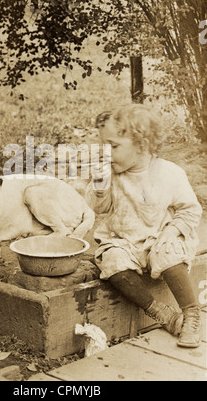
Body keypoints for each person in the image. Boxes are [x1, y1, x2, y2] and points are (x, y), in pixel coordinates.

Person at [88, 104, 202, 348]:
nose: (105, 153)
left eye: (113, 146)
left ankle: (191, 313)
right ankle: (162, 313)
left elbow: (191, 209)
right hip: (123, 242)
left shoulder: (169, 173)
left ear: (141, 145)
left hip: (159, 238)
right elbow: (100, 208)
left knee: (167, 251)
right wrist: (99, 188)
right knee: (112, 261)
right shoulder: (112, 175)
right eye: (103, 145)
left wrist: (171, 232)